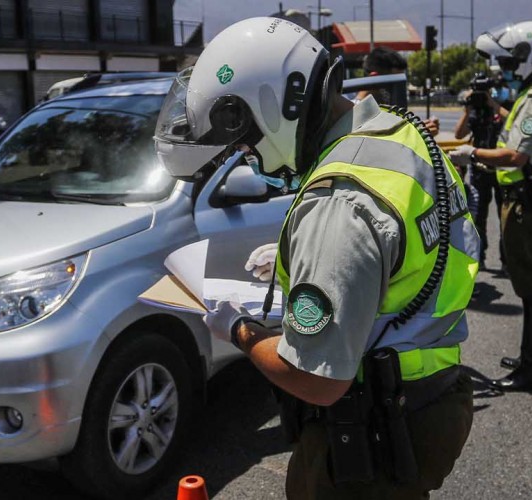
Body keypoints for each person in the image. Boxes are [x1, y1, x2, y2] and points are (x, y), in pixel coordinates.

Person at [154, 17, 478, 499]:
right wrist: (313, 267)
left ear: (273, 106)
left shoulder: (338, 203)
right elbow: (403, 254)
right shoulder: (398, 134)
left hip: (371, 434)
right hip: (431, 398)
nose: (249, 157)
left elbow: (315, 381)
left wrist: (239, 331)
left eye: (245, 141)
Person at [450, 21, 532, 391]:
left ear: (526, 57)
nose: (502, 69)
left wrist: (469, 153)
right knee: (530, 281)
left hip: (530, 201)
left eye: (506, 61)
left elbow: (515, 155)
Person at [454, 74, 508, 268]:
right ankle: (481, 257)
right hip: (479, 169)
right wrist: (467, 110)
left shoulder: (502, 106)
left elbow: (512, 121)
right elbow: (459, 134)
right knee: (478, 217)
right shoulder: (474, 111)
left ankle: (506, 261)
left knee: (505, 218)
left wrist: (492, 104)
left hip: (501, 168)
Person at [355, 46, 440, 136]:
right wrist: (416, 135)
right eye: (396, 83)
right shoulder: (355, 113)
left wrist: (421, 132)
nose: (399, 89)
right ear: (374, 77)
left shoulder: (387, 109)